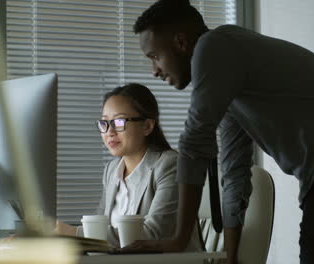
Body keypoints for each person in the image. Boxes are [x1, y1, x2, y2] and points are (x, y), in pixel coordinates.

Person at [123, 1, 314, 264]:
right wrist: (230, 256)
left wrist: (178, 239)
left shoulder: (214, 46)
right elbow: (235, 172)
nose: (155, 71)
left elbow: (195, 141)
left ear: (181, 43)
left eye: (155, 57)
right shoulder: (231, 84)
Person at [55, 83, 203, 251]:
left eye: (119, 121)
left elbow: (152, 234)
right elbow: (99, 226)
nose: (109, 131)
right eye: (104, 122)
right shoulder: (111, 170)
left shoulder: (169, 165)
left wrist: (74, 233)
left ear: (147, 126)